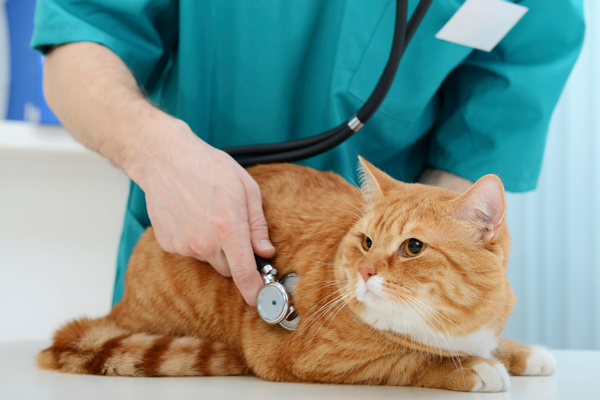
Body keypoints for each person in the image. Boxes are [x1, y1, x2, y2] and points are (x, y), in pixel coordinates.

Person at [31, 0, 584, 307]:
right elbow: (80, 36)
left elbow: (514, 74)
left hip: (374, 293)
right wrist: (155, 150)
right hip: (195, 263)